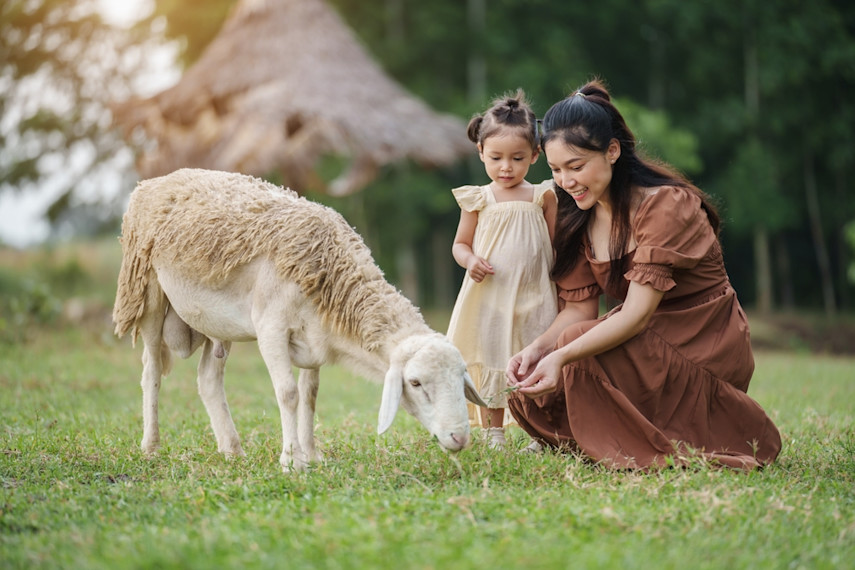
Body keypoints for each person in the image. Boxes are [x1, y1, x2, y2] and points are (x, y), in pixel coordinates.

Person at [505, 79, 782, 469]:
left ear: (613, 151)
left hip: (701, 341)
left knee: (573, 351)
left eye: (576, 166)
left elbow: (635, 314)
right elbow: (579, 310)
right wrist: (537, 350)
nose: (566, 181)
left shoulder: (666, 205)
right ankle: (600, 431)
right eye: (555, 169)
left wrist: (563, 355)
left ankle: (632, 432)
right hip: (645, 339)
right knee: (543, 371)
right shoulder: (577, 213)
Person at [447, 90, 558, 449]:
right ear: (481, 152)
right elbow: (460, 245)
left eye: (517, 158)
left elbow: (555, 246)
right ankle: (493, 431)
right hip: (492, 295)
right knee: (493, 355)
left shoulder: (543, 196)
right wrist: (470, 261)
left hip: (535, 293)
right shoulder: (479, 199)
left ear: (536, 155)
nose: (506, 167)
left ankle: (535, 431)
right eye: (495, 158)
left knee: (532, 356)